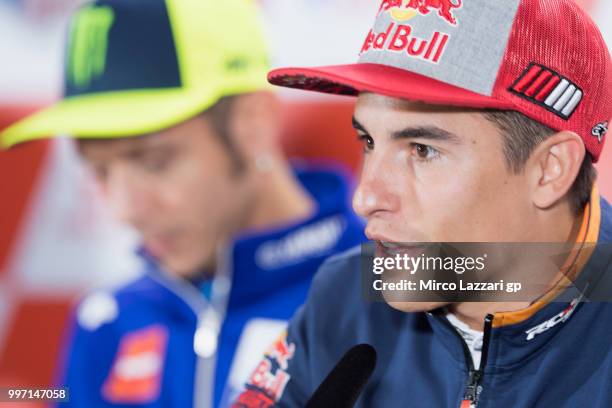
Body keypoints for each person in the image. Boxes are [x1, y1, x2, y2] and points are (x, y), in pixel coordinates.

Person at [235, 0, 612, 406]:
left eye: (422, 150)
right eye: (368, 142)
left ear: (550, 169)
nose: (365, 198)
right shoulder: (346, 297)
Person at [0, 0, 365, 407]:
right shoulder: (108, 321)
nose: (125, 210)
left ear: (253, 124)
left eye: (155, 163)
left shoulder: (395, 293)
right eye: (99, 171)